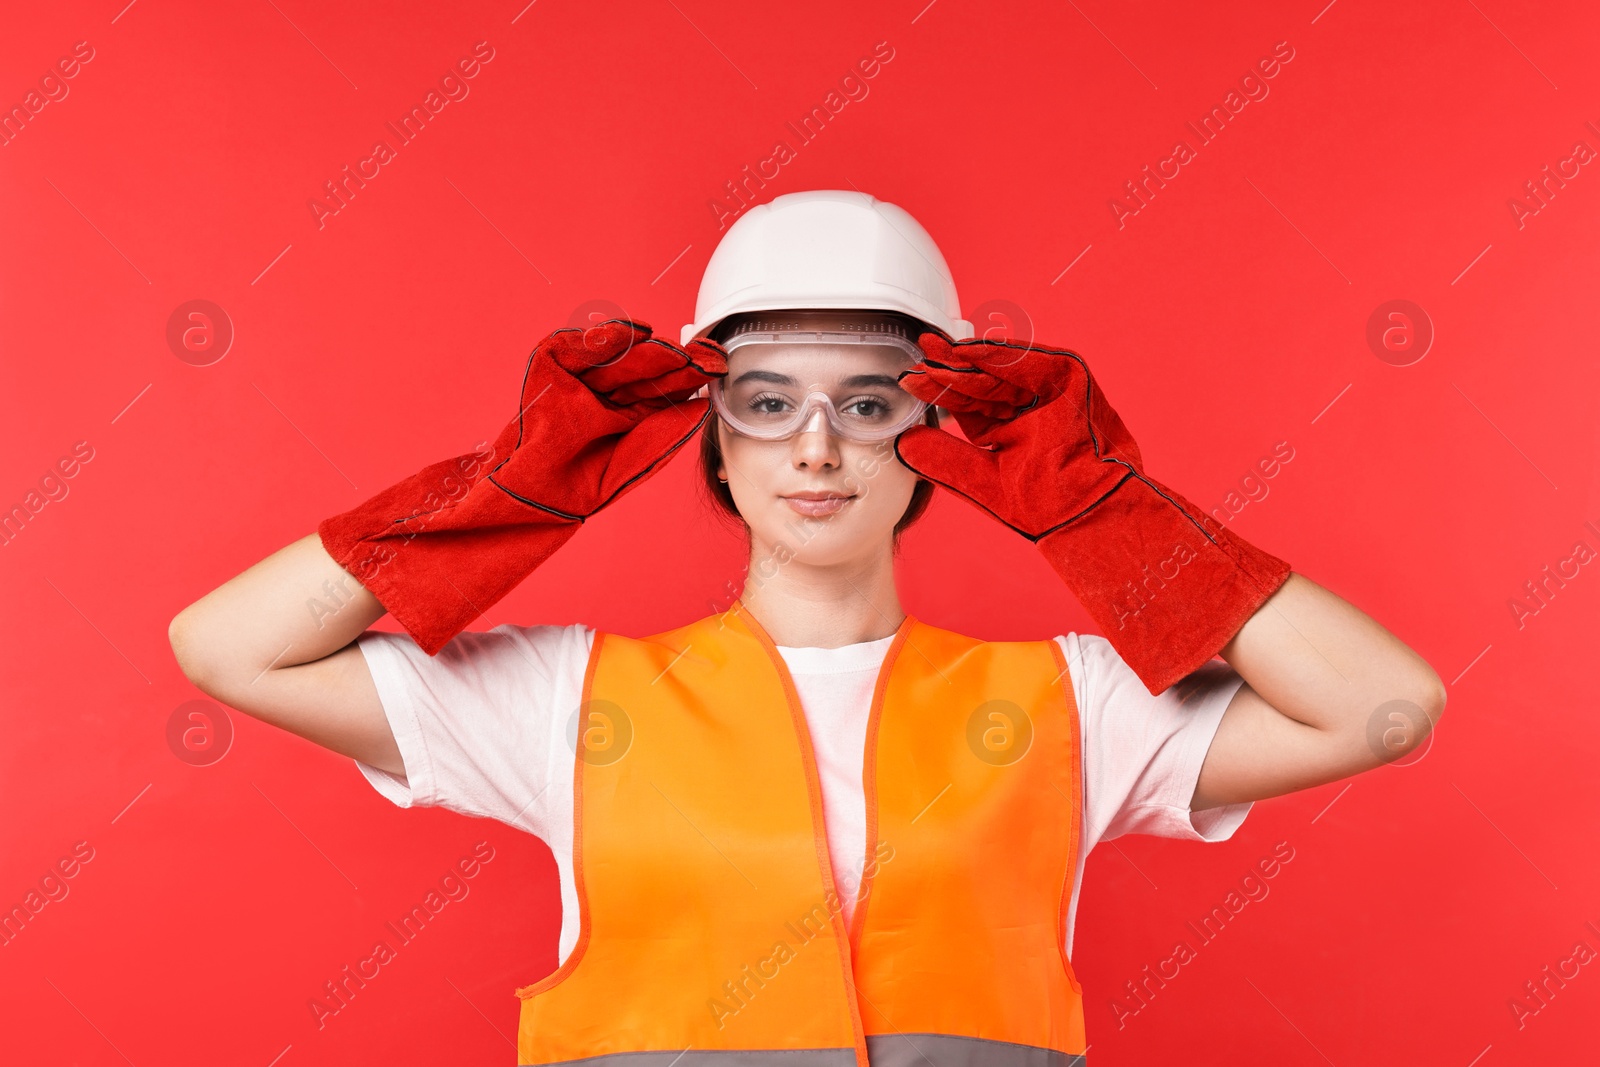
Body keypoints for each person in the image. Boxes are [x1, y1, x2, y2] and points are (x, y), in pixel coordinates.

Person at [168, 190, 1446, 1066]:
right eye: (768, 401)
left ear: (937, 434)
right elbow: (227, 646)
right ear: (714, 438)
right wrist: (506, 493)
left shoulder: (1075, 705)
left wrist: (1107, 518)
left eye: (870, 402)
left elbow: (1384, 704)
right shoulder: (563, 698)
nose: (819, 446)